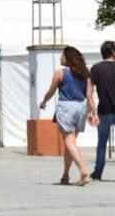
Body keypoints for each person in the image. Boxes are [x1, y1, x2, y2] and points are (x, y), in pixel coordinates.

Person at [39, 45, 94, 186]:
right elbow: (89, 95)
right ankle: (65, 175)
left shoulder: (60, 73)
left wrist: (44, 102)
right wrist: (91, 112)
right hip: (80, 106)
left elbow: (51, 91)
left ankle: (83, 171)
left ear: (69, 58)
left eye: (62, 56)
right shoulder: (85, 74)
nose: (60, 58)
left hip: (66, 107)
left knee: (69, 142)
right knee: (71, 143)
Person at [87, 40, 115, 180]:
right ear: (113, 52)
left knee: (102, 143)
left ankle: (98, 172)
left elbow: (89, 94)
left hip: (104, 111)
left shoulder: (95, 68)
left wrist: (92, 112)